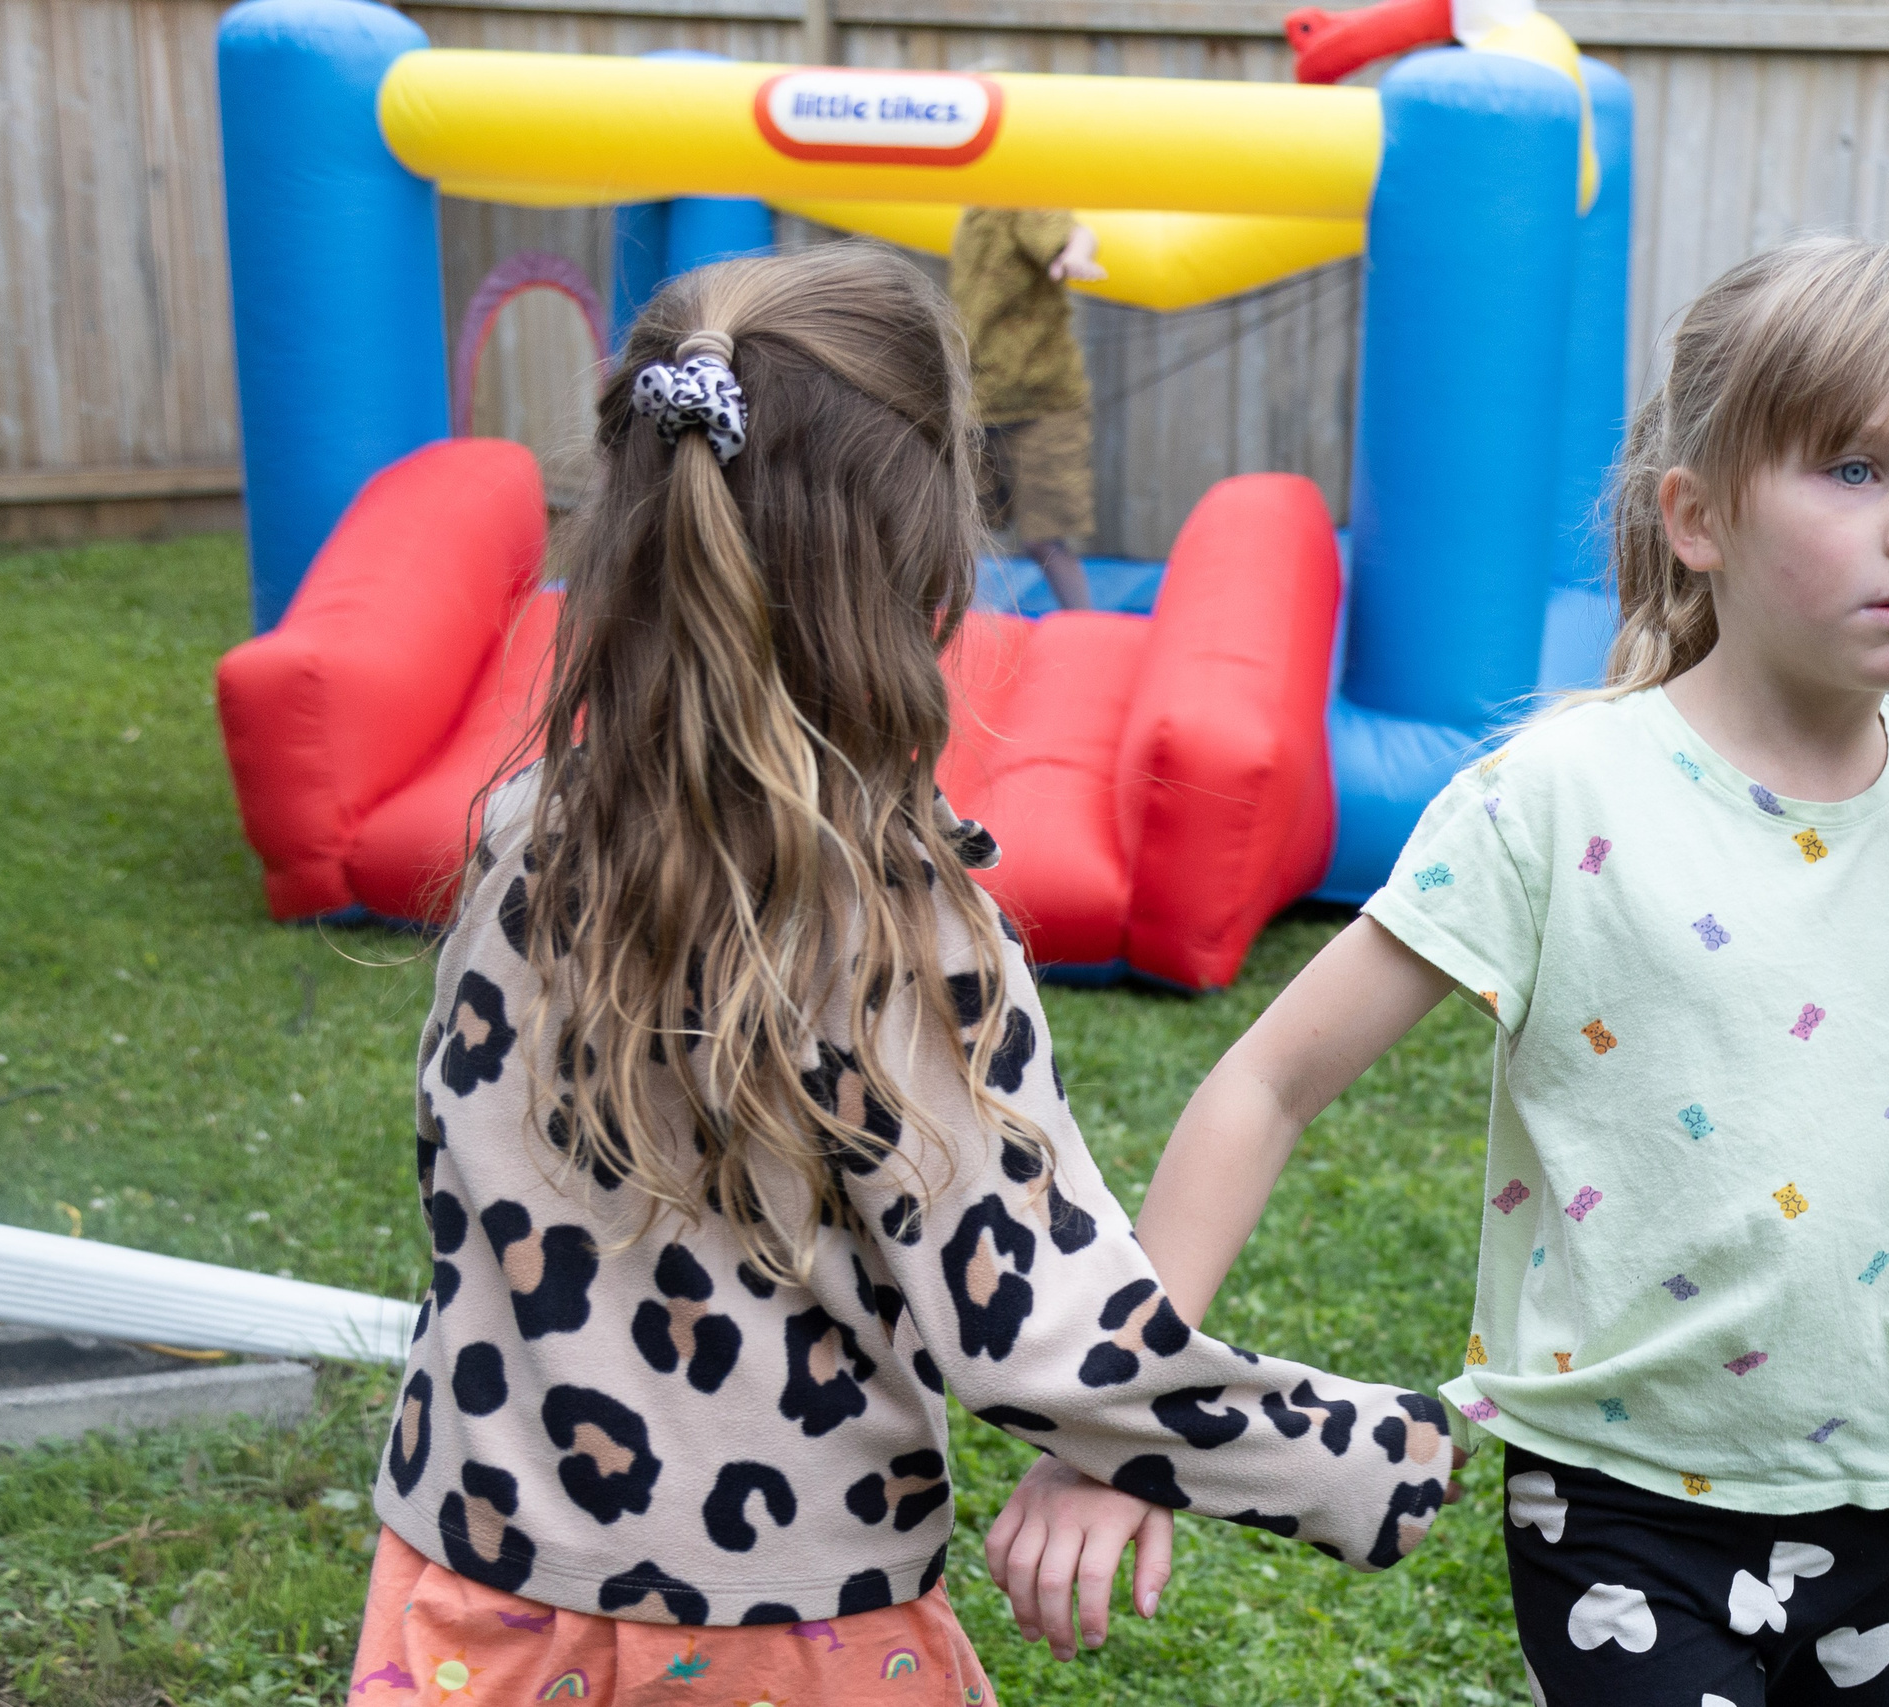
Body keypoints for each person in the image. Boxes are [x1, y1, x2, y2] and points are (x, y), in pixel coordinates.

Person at [987, 237, 1889, 1704]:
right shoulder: (1560, 795)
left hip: (1883, 1499)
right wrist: (1124, 1417)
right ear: (1695, 517)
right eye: (1852, 468)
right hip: (1618, 1504)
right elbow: (1268, 1076)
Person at [342, 243, 1457, 1706]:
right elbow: (1039, 1334)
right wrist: (1367, 1456)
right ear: (926, 553)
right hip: (778, 1629)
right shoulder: (896, 927)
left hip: (461, 1594)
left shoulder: (518, 834)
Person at [949, 207, 1104, 611]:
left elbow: (1072, 231)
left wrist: (1076, 256)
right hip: (978, 402)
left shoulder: (1020, 200)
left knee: (1044, 538)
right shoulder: (972, 215)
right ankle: (947, 625)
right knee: (958, 528)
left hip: (1040, 403)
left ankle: (1082, 622)